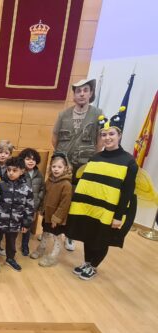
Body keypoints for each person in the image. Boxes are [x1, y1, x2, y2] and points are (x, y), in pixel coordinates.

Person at [66, 112, 137, 280]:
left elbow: (127, 192)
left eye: (111, 134)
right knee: (88, 234)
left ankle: (94, 265)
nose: (107, 137)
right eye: (103, 134)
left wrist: (118, 216)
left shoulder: (128, 161)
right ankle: (86, 262)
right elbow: (87, 184)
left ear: (119, 135)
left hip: (109, 210)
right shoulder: (95, 158)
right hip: (90, 207)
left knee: (101, 238)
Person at [52, 79, 103, 251]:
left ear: (90, 93)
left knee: (77, 199)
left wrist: (92, 160)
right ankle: (55, 231)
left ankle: (71, 235)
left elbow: (100, 140)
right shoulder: (63, 114)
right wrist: (63, 156)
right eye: (78, 91)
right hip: (64, 164)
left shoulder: (98, 114)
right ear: (73, 95)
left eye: (85, 90)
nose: (81, 94)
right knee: (60, 197)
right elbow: (55, 138)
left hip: (85, 165)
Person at [0, 157, 34, 273]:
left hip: (15, 222)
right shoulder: (1, 185)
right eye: (9, 170)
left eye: (15, 170)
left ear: (22, 171)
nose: (11, 173)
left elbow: (29, 208)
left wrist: (26, 223)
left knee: (11, 243)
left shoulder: (27, 189)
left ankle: (10, 259)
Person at [30, 153, 73, 267]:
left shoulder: (66, 184)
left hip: (56, 217)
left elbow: (65, 204)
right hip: (47, 214)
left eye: (59, 167)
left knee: (56, 236)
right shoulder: (49, 180)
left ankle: (53, 255)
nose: (56, 169)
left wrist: (57, 218)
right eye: (54, 166)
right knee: (45, 232)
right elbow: (45, 196)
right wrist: (41, 209)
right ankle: (41, 248)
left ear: (66, 168)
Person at [18, 148, 45, 256]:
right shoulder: (20, 172)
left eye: (33, 159)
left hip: (32, 206)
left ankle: (25, 245)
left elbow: (42, 189)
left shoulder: (39, 174)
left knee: (27, 226)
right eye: (28, 159)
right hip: (19, 205)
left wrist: (38, 201)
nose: (31, 161)